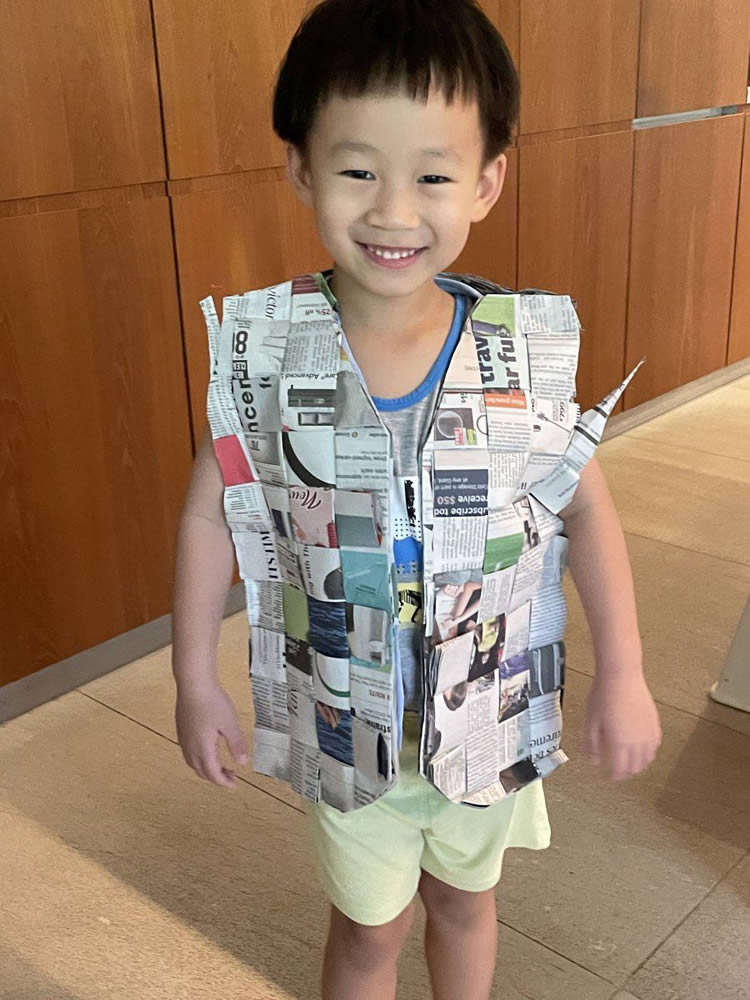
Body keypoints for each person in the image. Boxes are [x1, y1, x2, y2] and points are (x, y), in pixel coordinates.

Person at [171, 2, 663, 998]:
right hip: (345, 724)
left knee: (467, 905)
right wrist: (194, 676)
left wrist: (626, 671)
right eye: (358, 171)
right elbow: (207, 513)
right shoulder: (270, 354)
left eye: (432, 176)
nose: (395, 213)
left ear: (486, 181)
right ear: (301, 168)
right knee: (368, 931)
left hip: (485, 718)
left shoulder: (514, 358)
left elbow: (585, 509)